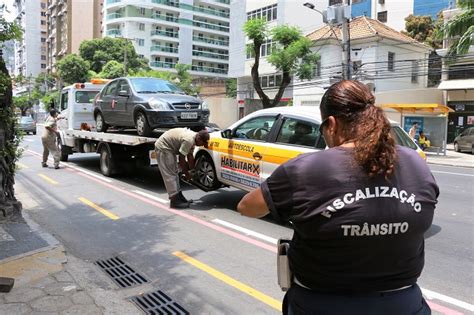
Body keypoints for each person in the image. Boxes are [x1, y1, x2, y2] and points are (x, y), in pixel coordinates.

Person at [237, 80, 439, 315]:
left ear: (331, 124)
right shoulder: (416, 162)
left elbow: (247, 207)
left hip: (319, 304)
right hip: (404, 303)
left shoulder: (305, 169)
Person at [155, 128, 209, 209]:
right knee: (170, 174)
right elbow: (181, 159)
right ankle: (174, 201)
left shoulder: (194, 138)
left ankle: (179, 197)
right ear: (199, 138)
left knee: (175, 173)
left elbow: (190, 155)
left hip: (169, 148)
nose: (202, 145)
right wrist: (187, 174)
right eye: (202, 143)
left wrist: (193, 170)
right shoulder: (189, 140)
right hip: (163, 148)